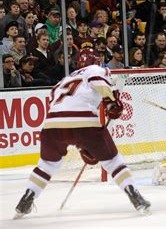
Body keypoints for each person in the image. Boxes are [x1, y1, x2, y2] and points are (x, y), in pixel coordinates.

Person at [14, 48, 150, 218]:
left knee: (46, 166)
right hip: (84, 121)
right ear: (95, 61)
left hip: (52, 125)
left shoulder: (64, 80)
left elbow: (65, 112)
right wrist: (111, 103)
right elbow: (98, 81)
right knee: (113, 162)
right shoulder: (95, 69)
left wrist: (81, 146)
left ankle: (28, 197)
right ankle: (135, 196)